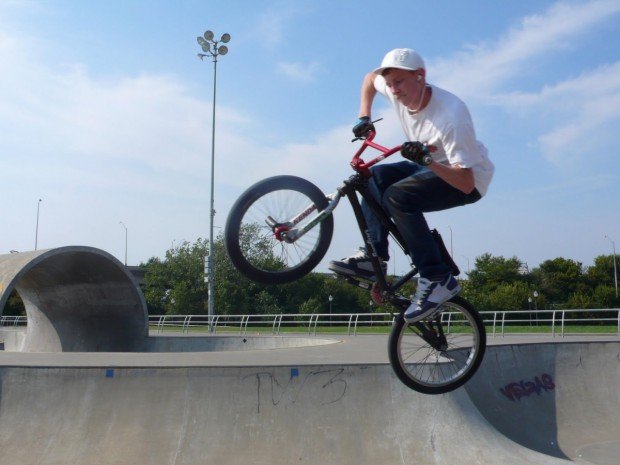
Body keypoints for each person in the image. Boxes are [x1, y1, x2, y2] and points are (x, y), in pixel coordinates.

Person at [328, 48, 494, 323]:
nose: (394, 91)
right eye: (391, 84)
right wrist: (364, 117)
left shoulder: (451, 116)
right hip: (427, 163)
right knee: (371, 178)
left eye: (400, 83)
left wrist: (428, 161)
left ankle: (437, 277)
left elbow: (464, 183)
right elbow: (370, 78)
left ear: (420, 76)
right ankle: (375, 259)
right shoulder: (396, 88)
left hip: (467, 176)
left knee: (397, 197)